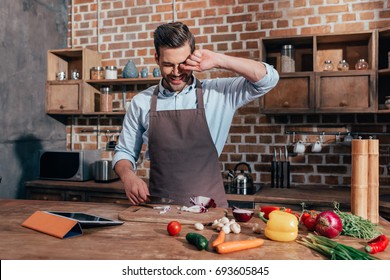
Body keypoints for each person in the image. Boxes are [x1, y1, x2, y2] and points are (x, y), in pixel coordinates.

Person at [113, 22, 279, 208]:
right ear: (157, 59)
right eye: (168, 64)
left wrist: (217, 59)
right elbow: (124, 152)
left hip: (210, 212)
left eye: (183, 63)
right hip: (159, 212)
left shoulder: (219, 93)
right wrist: (128, 176)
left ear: (192, 58)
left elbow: (268, 79)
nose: (176, 73)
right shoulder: (141, 102)